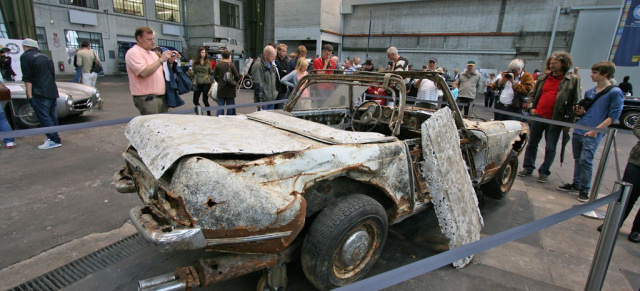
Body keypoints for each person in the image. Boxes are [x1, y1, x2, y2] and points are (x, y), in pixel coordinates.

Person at [557, 61, 623, 202]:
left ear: (605, 74)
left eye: (595, 72)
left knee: (586, 160)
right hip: (580, 128)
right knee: (577, 158)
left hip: (592, 131)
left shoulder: (614, 92)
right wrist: (579, 112)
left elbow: (614, 115)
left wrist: (597, 130)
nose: (591, 75)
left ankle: (584, 189)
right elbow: (585, 112)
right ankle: (577, 183)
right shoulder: (590, 92)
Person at [519, 51, 581, 183]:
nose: (552, 65)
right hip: (538, 116)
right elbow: (532, 95)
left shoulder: (572, 80)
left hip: (556, 119)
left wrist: (568, 123)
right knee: (532, 143)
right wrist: (531, 108)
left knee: (551, 147)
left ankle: (544, 171)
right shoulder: (543, 78)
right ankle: (528, 167)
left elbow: (575, 101)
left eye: (555, 63)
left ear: (563, 63)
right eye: (551, 63)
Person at [125, 27, 179, 115]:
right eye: (149, 39)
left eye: (153, 39)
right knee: (153, 125)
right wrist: (161, 60)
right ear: (139, 38)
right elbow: (143, 72)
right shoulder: (134, 53)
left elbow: (161, 71)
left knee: (163, 126)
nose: (153, 42)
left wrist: (170, 62)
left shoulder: (152, 53)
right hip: (147, 98)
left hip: (160, 97)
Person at [20, 38, 62, 150]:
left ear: (25, 47)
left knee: (44, 116)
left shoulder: (25, 57)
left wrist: (29, 94)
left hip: (39, 91)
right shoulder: (45, 57)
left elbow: (27, 77)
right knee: (52, 115)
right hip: (52, 89)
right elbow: (52, 75)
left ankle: (54, 139)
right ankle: (53, 136)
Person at [213, 49, 241, 115]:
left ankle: (219, 120)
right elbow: (237, 76)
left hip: (221, 88)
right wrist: (234, 82)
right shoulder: (232, 65)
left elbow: (214, 76)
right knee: (230, 107)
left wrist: (219, 81)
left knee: (220, 106)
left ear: (222, 56)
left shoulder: (218, 65)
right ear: (229, 56)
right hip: (230, 89)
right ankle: (229, 120)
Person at [189, 47, 214, 115]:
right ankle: (199, 111)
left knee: (205, 100)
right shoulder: (195, 62)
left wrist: (215, 71)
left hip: (206, 82)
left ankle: (209, 114)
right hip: (198, 82)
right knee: (195, 100)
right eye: (202, 52)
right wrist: (190, 73)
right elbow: (194, 72)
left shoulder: (208, 62)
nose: (203, 54)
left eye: (204, 52)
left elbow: (210, 72)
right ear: (199, 53)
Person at [251, 45, 278, 110]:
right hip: (263, 100)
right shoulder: (258, 66)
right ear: (266, 55)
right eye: (272, 56)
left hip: (271, 99)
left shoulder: (271, 64)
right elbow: (258, 83)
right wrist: (259, 101)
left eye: (275, 56)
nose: (274, 58)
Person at [274, 44, 289, 109]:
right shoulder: (275, 60)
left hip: (283, 87)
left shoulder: (286, 60)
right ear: (278, 51)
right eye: (283, 51)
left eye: (286, 51)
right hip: (276, 87)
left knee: (280, 107)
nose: (285, 53)